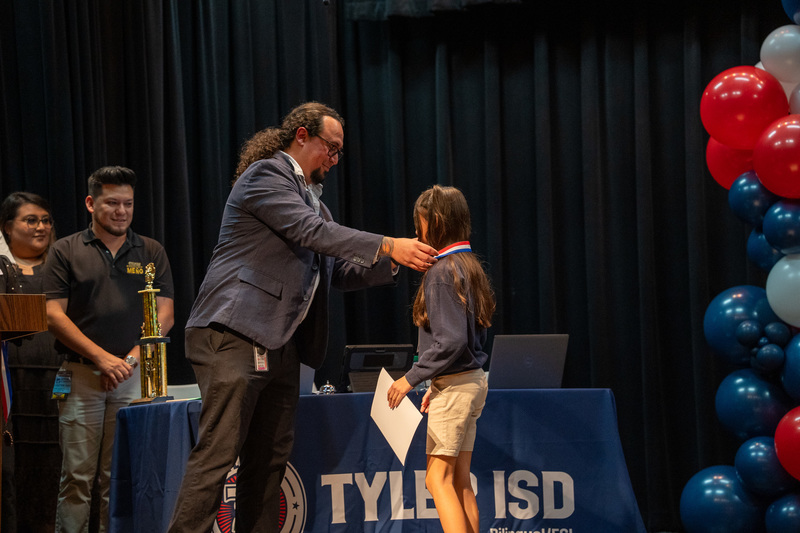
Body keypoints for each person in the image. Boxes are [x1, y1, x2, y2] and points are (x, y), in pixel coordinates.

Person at [167, 101, 438, 533]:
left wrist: (397, 261)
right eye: (330, 147)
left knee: (269, 462)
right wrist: (389, 244)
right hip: (235, 331)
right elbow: (312, 233)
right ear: (301, 136)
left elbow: (338, 270)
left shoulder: (317, 207)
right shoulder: (265, 176)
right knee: (218, 454)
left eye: (339, 152)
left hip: (281, 343)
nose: (334, 159)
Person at [42, 166, 175, 533]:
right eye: (112, 203)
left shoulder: (150, 250)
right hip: (81, 376)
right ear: (91, 203)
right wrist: (102, 359)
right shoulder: (65, 249)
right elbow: (53, 315)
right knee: (76, 479)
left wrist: (127, 362)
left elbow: (165, 315)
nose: (121, 211)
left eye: (128, 204)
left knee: (119, 477)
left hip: (133, 378)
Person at [387, 185, 495, 533]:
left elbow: (451, 341)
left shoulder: (441, 272)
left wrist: (411, 378)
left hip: (457, 386)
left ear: (435, 222)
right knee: (460, 480)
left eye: (419, 222)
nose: (416, 231)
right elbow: (467, 338)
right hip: (471, 381)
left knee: (437, 479)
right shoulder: (467, 265)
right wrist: (437, 383)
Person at [0, 192, 61, 532]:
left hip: (58, 382)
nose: (41, 227)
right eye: (31, 220)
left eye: (46, 220)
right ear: (8, 227)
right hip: (12, 385)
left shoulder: (62, 266)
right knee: (14, 465)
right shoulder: (1, 269)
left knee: (57, 463)